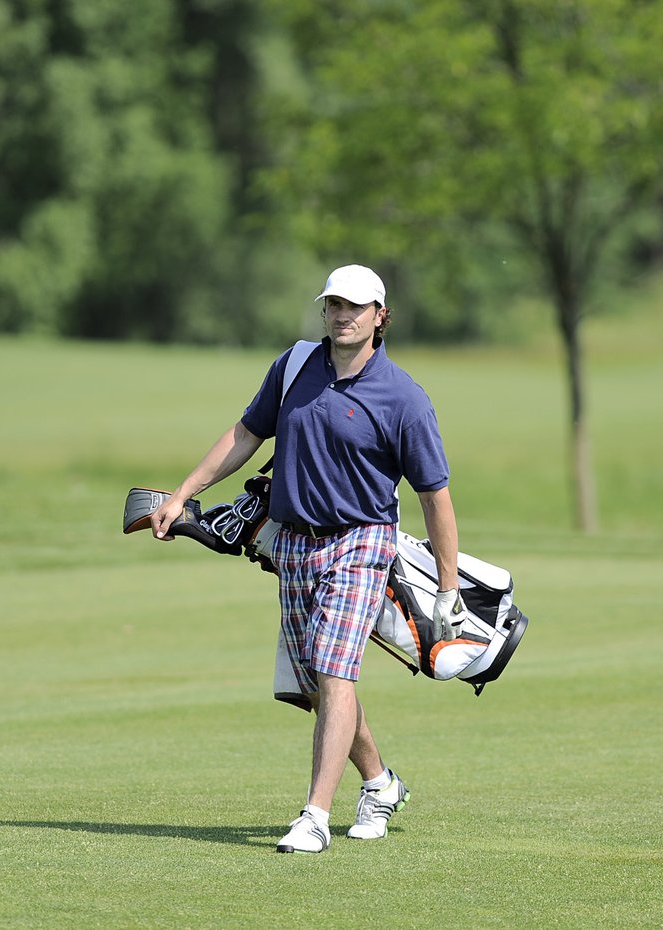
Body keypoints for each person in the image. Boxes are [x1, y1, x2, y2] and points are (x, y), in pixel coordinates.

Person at [149, 264, 464, 854]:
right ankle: (379, 783)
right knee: (320, 683)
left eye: (355, 306)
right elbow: (245, 435)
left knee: (336, 669)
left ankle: (315, 815)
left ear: (380, 316)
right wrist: (183, 493)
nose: (342, 315)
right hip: (294, 543)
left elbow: (434, 497)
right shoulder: (294, 366)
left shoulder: (405, 399)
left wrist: (448, 591)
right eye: (333, 305)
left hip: (363, 541)